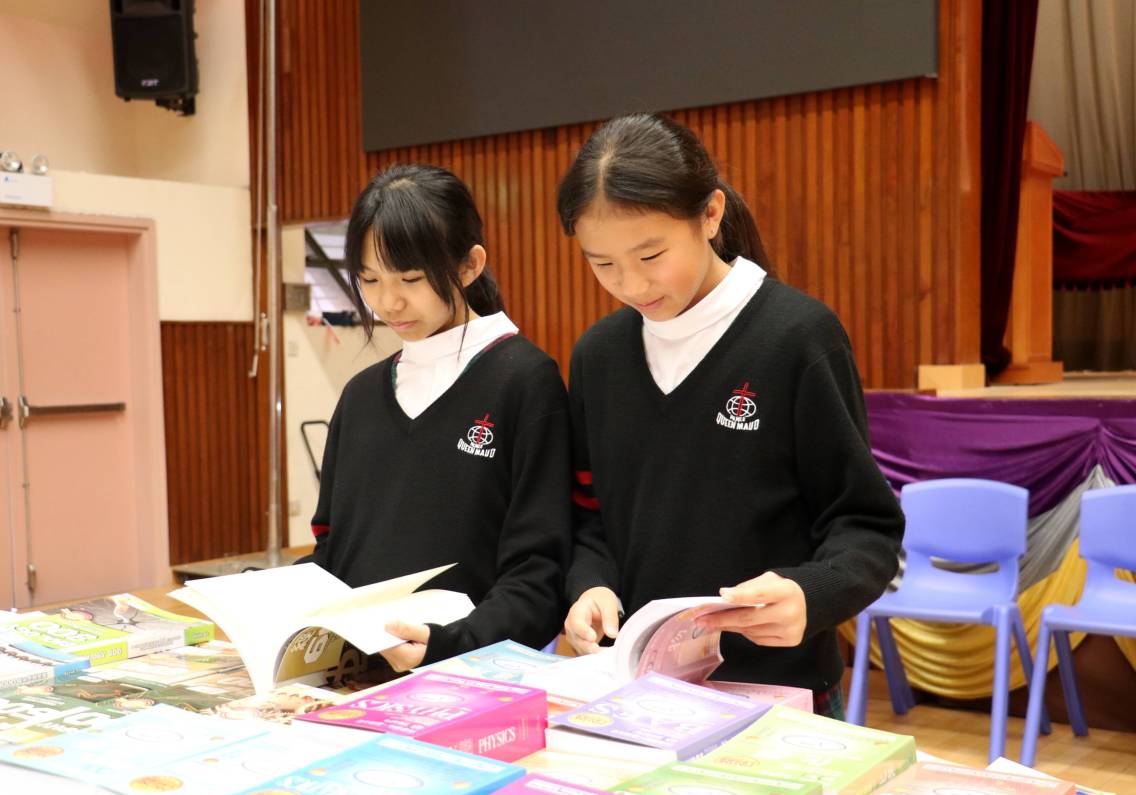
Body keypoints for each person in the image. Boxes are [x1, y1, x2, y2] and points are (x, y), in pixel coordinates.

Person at [557, 114, 903, 717]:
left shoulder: (797, 337)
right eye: (603, 264)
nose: (631, 285)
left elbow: (866, 527)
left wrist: (809, 594)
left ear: (710, 214)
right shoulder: (599, 356)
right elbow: (590, 518)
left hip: (778, 694)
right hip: (639, 692)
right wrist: (590, 584)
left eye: (651, 255)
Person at [304, 163, 570, 671]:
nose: (388, 302)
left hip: (474, 676)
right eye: (369, 280)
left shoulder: (524, 380)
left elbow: (538, 574)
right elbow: (332, 552)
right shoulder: (361, 396)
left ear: (470, 266)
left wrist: (451, 642)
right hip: (357, 677)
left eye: (411, 278)